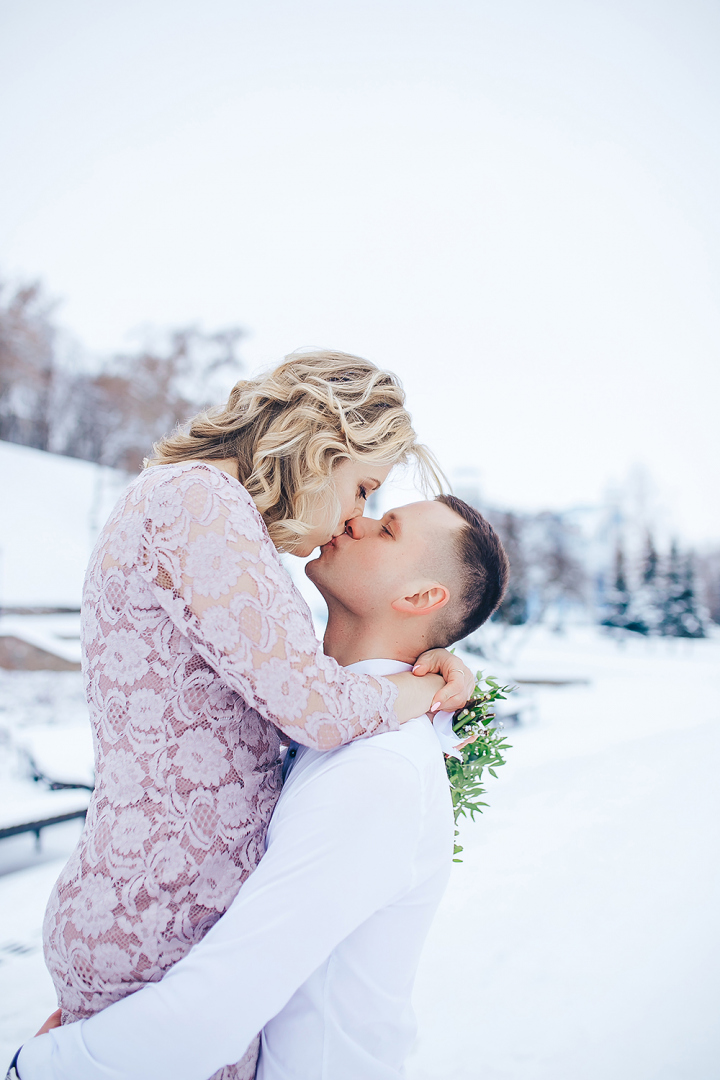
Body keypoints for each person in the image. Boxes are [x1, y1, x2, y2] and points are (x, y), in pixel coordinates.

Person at [35, 351, 475, 1080]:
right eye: (362, 488)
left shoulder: (204, 509)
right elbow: (314, 708)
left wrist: (435, 662)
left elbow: (279, 688)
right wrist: (424, 690)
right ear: (327, 441)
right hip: (160, 924)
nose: (353, 516)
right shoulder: (200, 504)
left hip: (159, 910)